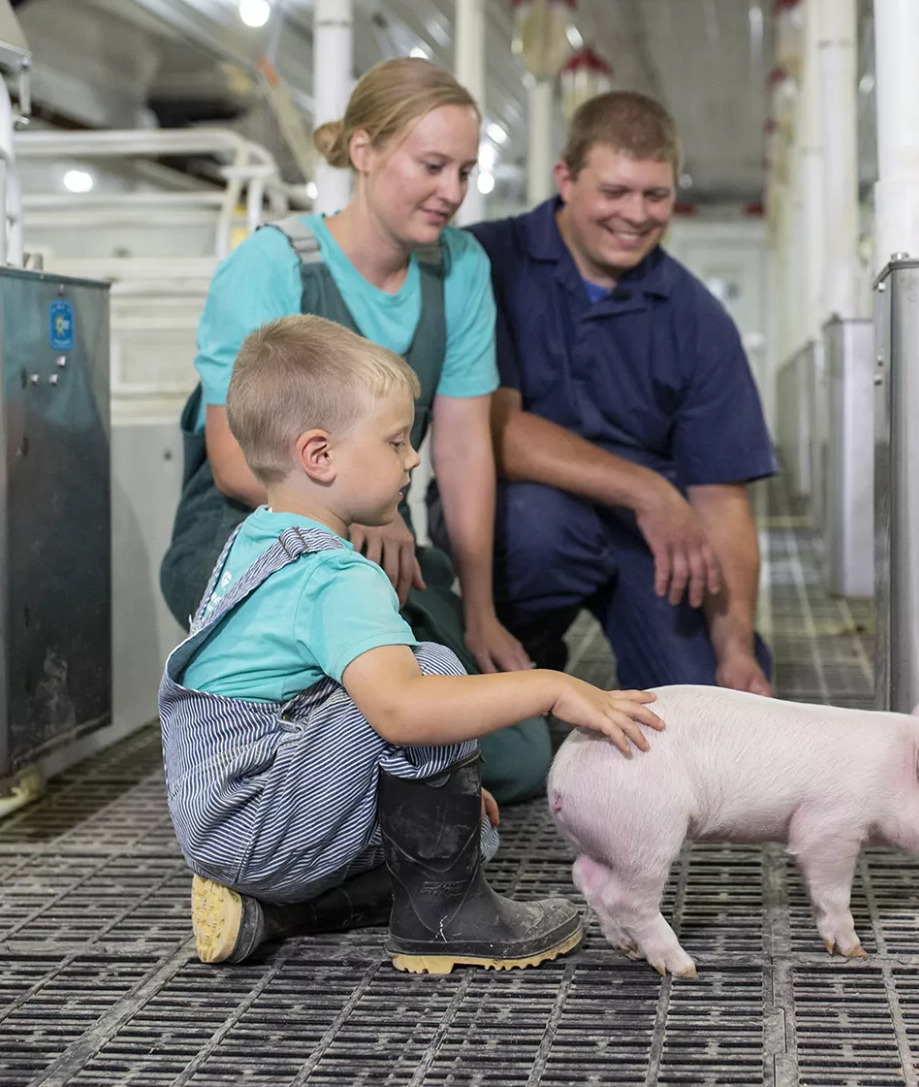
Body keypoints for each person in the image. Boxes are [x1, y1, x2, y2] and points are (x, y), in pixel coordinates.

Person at [160, 315, 662, 968]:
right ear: (320, 455)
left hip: (225, 815)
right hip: (259, 819)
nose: (414, 457)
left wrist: (433, 800)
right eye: (396, 441)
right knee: (431, 670)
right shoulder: (336, 578)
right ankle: (446, 919)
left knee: (462, 831)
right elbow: (401, 711)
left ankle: (275, 914)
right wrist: (553, 688)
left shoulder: (258, 538)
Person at [156, 57, 554, 803]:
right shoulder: (271, 264)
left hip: (375, 533)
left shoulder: (459, 268)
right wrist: (368, 513)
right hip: (250, 531)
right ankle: (262, 783)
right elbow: (234, 460)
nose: (452, 193)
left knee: (519, 757)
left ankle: (335, 770)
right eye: (432, 165)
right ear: (364, 152)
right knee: (402, 711)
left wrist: (479, 610)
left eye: (466, 171)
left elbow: (466, 448)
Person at [456, 92, 778, 696]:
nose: (636, 214)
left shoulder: (698, 318)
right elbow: (493, 429)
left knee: (705, 700)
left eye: (655, 195)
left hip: (652, 543)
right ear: (565, 179)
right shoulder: (488, 262)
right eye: (614, 192)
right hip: (528, 524)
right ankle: (529, 649)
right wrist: (647, 490)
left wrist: (734, 649)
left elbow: (720, 498)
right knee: (536, 527)